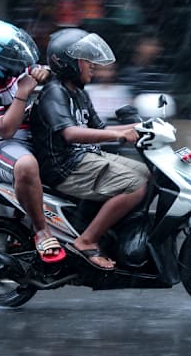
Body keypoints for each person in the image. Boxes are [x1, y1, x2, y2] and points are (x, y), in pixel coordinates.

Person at [31, 28, 149, 270]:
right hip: (65, 168)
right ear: (67, 63)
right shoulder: (55, 92)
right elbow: (71, 134)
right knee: (135, 186)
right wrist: (119, 134)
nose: (94, 65)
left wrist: (144, 126)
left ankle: (116, 231)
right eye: (86, 60)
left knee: (148, 173)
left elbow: (99, 128)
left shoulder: (79, 93)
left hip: (83, 159)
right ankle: (87, 240)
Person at [0, 20, 65, 263]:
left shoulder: (15, 67)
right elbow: (6, 130)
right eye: (13, 56)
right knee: (27, 166)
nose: (21, 60)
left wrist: (45, 73)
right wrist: (23, 92)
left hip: (28, 140)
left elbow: (38, 71)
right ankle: (42, 231)